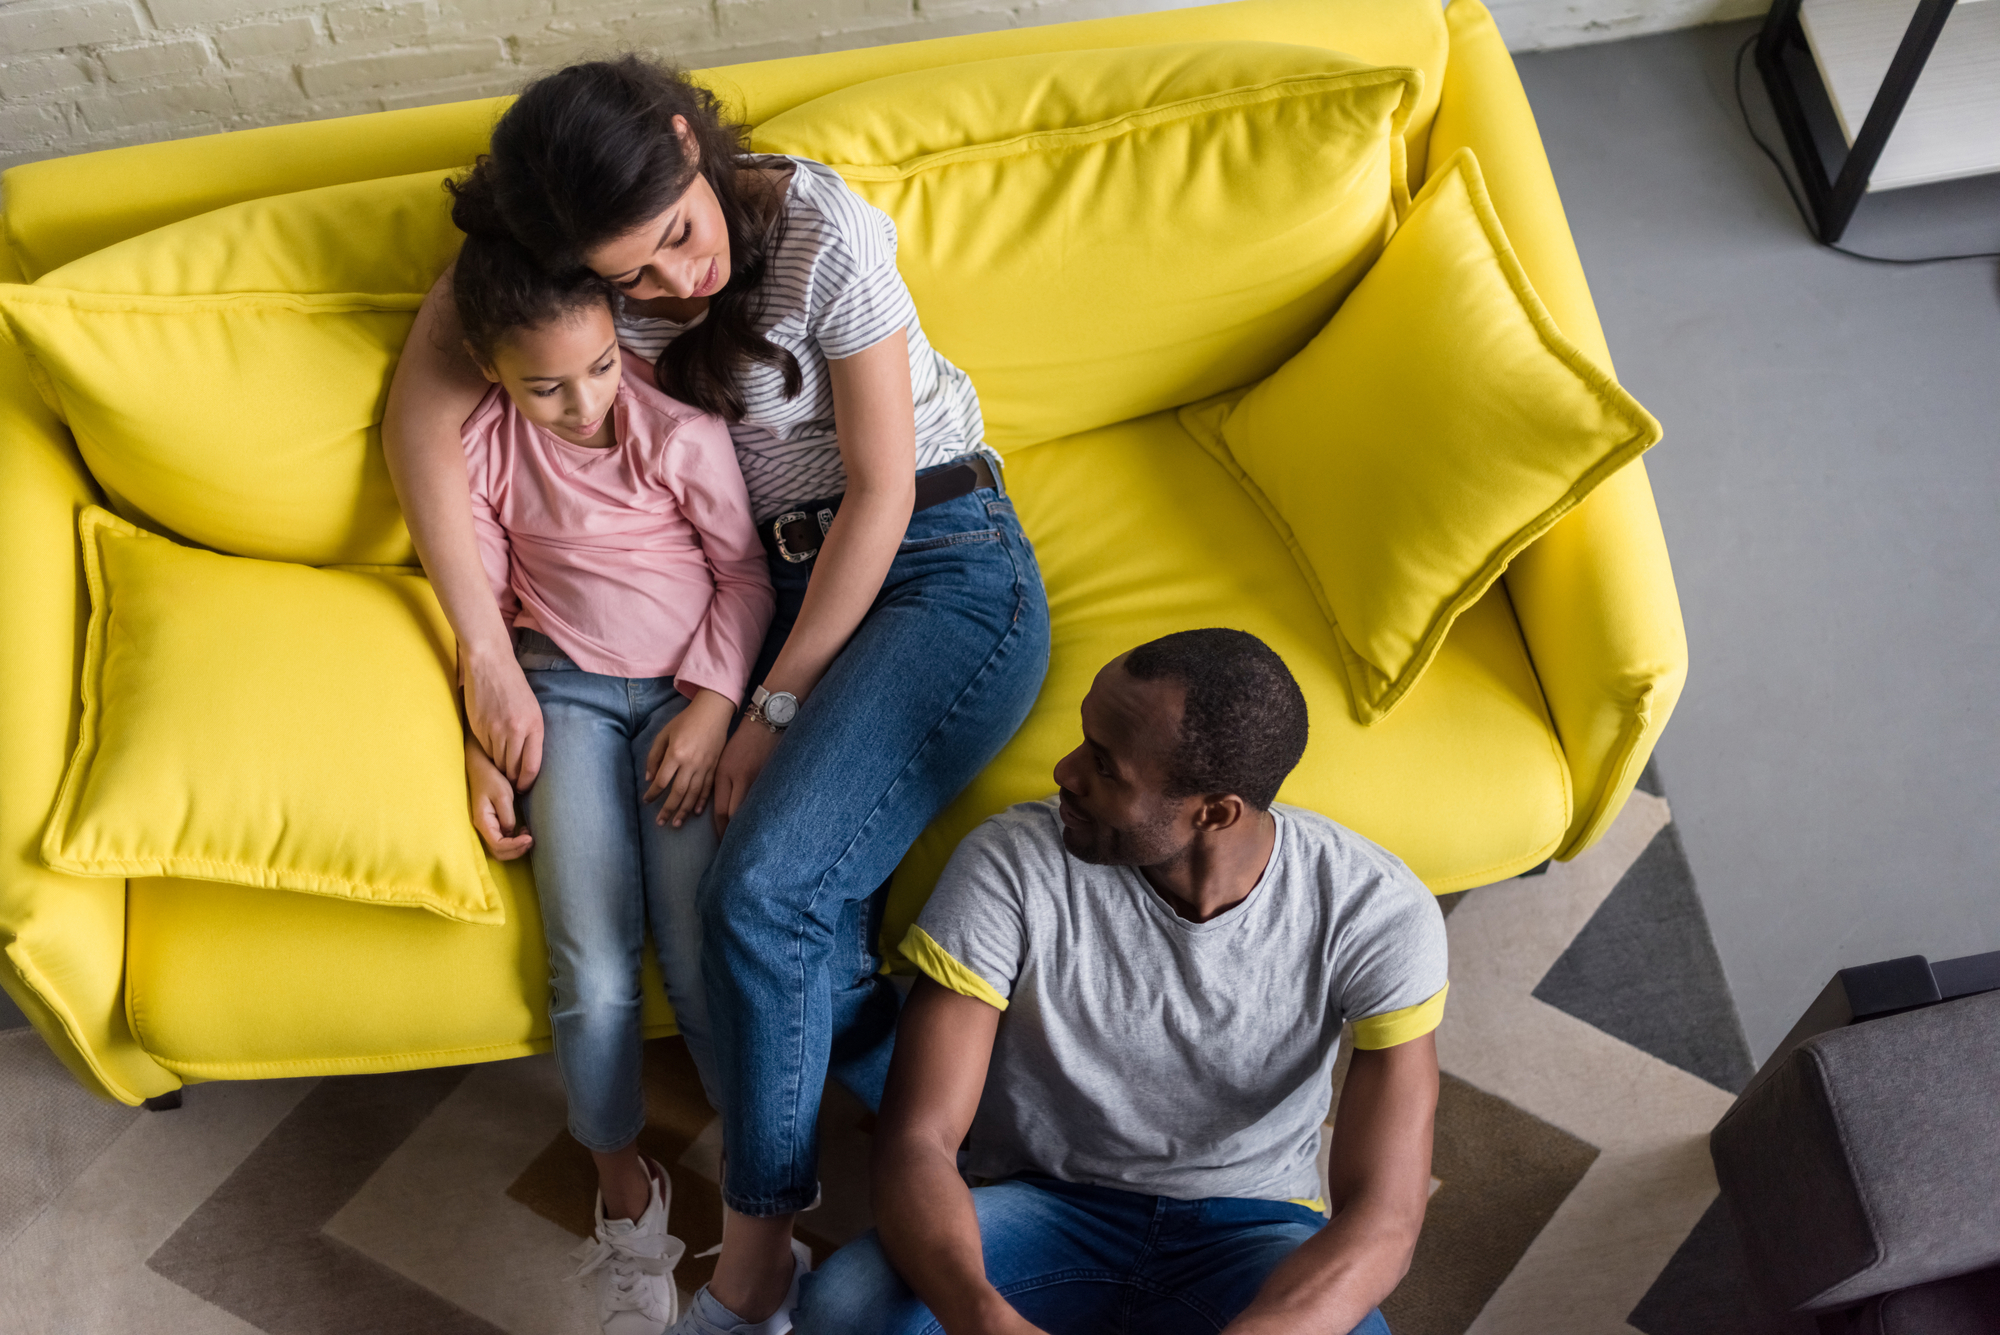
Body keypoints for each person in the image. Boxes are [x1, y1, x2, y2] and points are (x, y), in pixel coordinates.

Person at [381, 55, 1052, 1335]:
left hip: (930, 566)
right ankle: (968, 1127)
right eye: (631, 274)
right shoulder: (569, 267)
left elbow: (882, 489)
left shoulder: (819, 227)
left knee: (766, 894)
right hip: (751, 595)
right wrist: (481, 656)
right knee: (798, 932)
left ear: (692, 144)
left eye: (678, 237)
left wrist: (767, 707)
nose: (672, 283)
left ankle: (752, 1277)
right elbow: (423, 431)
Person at [797, 629, 1448, 1335]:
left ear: (1215, 811)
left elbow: (1386, 1214)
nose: (1065, 771)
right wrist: (983, 1318)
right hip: (1044, 1201)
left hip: (1251, 1223)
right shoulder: (1010, 864)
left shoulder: (1374, 909)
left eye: (1105, 767)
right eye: (1083, 740)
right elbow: (917, 1140)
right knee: (845, 1308)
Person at [448, 216, 775, 1332]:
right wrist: (475, 751)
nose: (585, 404)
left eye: (597, 369)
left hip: (688, 703)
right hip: (567, 700)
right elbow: (483, 626)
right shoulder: (483, 449)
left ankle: (755, 1186)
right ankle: (625, 1195)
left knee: (697, 945)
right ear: (490, 372)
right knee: (589, 962)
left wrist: (716, 705)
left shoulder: (675, 431)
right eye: (546, 388)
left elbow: (743, 579)